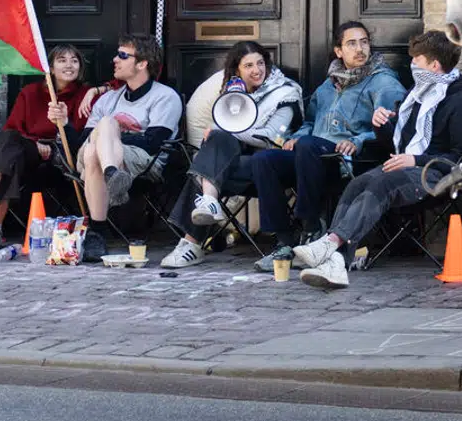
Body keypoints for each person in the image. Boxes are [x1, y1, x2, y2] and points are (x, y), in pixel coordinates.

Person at [294, 30, 462, 290]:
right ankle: (336, 263)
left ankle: (331, 244)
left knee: (381, 186)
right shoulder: (417, 95)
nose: (412, 65)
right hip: (405, 165)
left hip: (434, 174)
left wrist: (414, 160)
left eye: (418, 61)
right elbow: (398, 140)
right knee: (356, 185)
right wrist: (382, 124)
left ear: (434, 65)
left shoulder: (460, 104)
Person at [243, 21, 406, 271]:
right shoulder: (327, 86)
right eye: (351, 43)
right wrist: (295, 137)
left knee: (308, 146)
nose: (360, 49)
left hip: (347, 160)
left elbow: (394, 126)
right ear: (339, 51)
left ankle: (311, 228)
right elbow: (310, 121)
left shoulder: (383, 82)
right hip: (311, 155)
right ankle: (283, 243)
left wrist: (357, 141)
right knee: (265, 160)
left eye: (364, 42)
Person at [160, 42, 302, 269]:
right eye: (248, 66)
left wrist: (229, 130)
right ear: (238, 71)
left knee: (206, 166)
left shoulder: (285, 93)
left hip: (269, 164)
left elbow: (272, 137)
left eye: (260, 63)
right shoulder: (235, 95)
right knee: (216, 146)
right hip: (235, 166)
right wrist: (224, 126)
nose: (256, 70)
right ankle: (208, 203)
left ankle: (191, 242)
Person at [0, 45, 90, 252]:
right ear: (51, 68)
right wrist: (34, 143)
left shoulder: (85, 95)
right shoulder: (30, 92)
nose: (69, 65)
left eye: (74, 60)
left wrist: (53, 140)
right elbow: (13, 128)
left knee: (7, 152)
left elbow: (81, 135)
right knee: (10, 148)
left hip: (58, 158)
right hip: (25, 151)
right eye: (62, 60)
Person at [77, 34, 183, 262]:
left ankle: (97, 231)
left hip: (145, 160)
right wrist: (110, 135)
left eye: (123, 55)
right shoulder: (108, 99)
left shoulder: (165, 97)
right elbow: (87, 136)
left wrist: (113, 139)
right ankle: (113, 174)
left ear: (142, 63)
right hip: (103, 155)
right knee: (103, 130)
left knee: (98, 145)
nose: (115, 59)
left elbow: (153, 142)